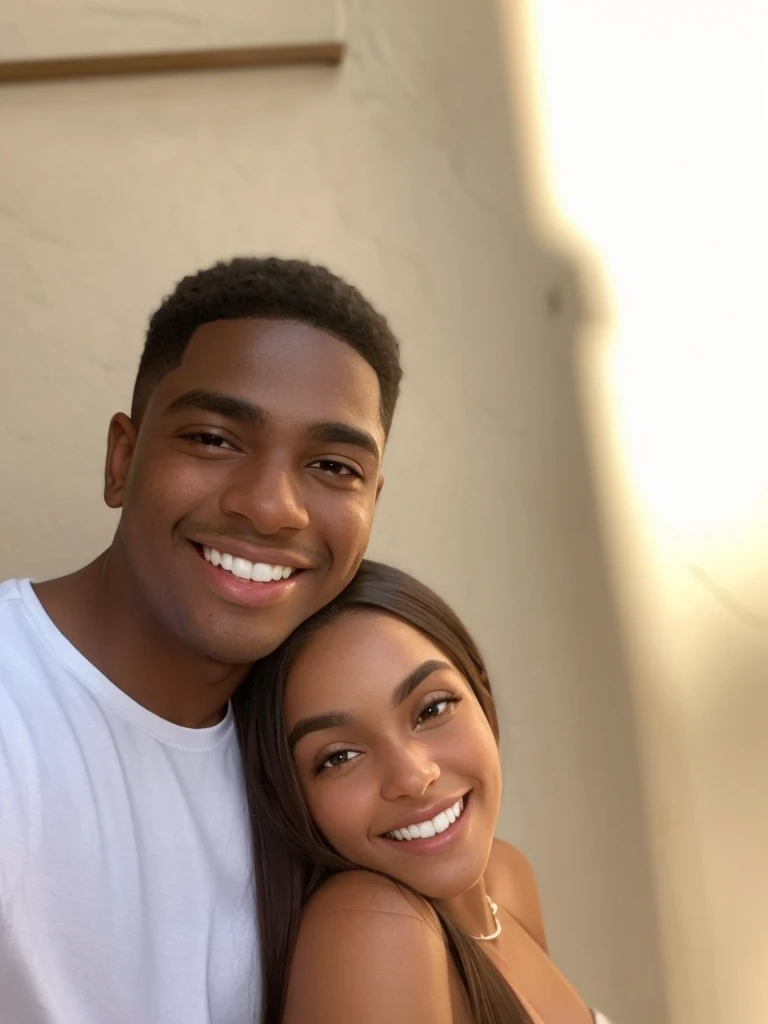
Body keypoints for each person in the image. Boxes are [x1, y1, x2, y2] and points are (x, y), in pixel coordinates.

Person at [0, 257, 402, 1023]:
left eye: (330, 466)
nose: (271, 507)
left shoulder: (322, 754)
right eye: (216, 439)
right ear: (124, 458)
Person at [238, 560, 616, 1024]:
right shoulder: (374, 930)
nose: (413, 777)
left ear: (480, 690)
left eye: (432, 708)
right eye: (339, 757)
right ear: (291, 796)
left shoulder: (508, 879)